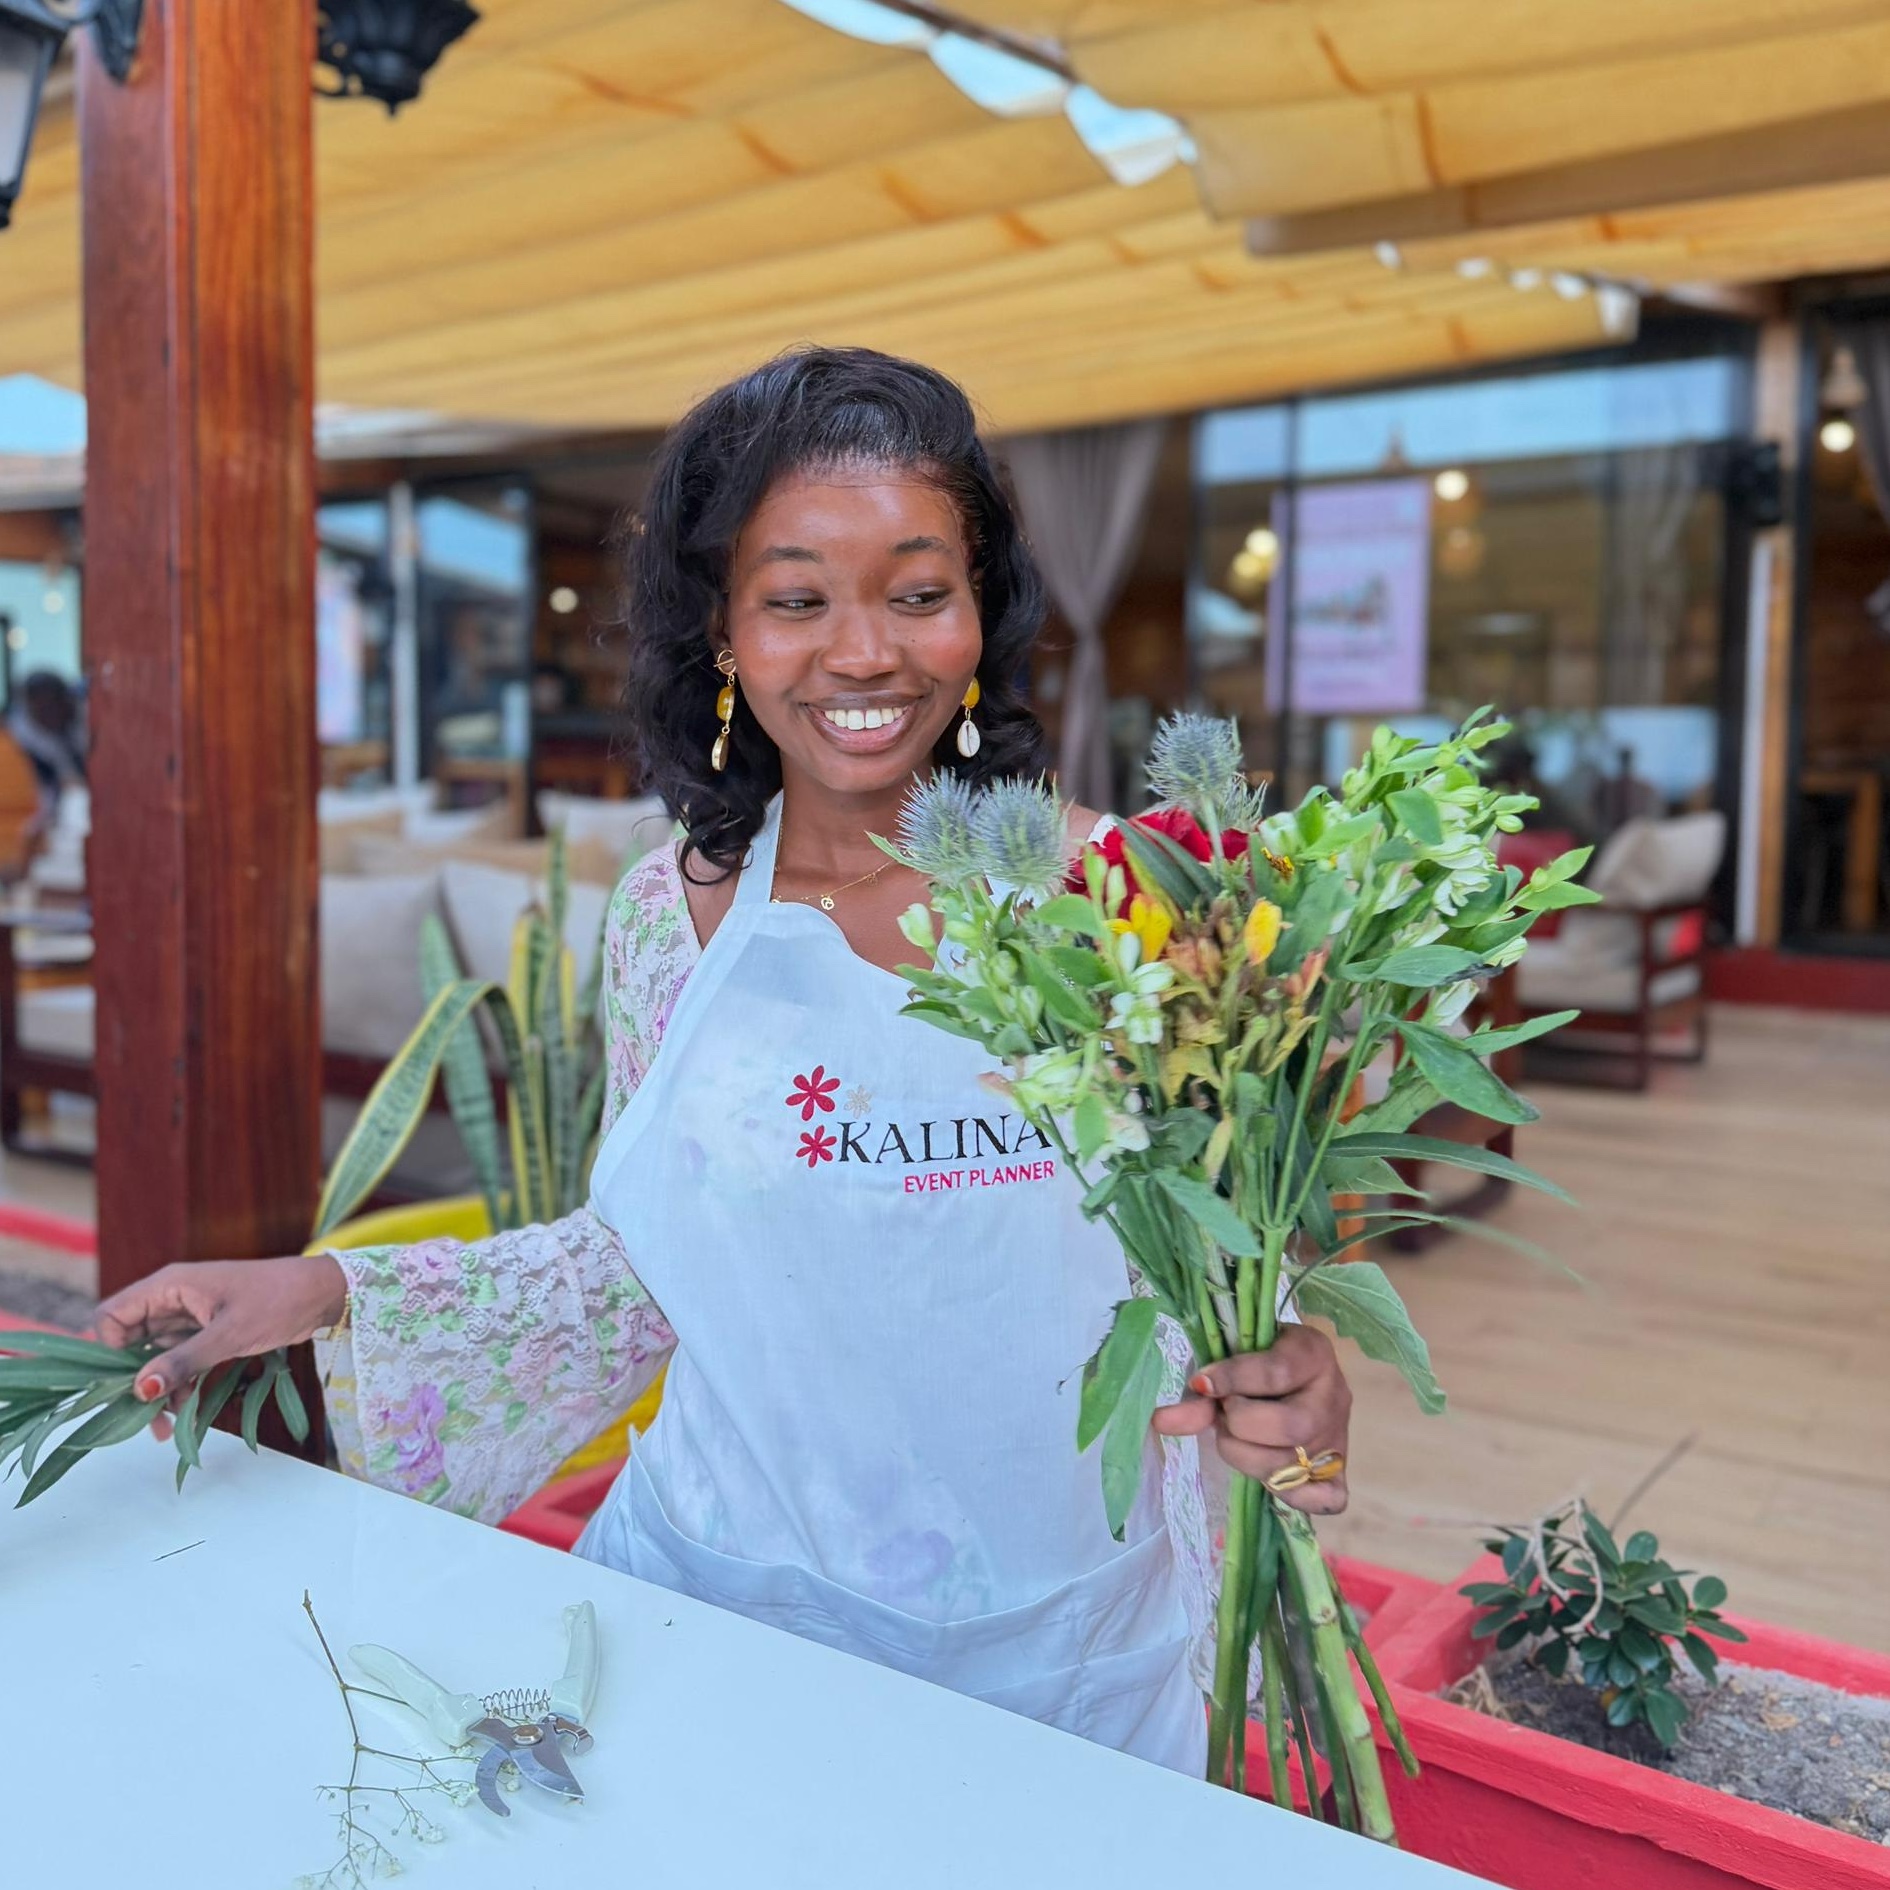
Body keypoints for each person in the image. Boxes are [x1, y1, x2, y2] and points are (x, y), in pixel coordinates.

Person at [93, 348, 1353, 1775]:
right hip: (715, 1625)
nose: (864, 652)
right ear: (722, 630)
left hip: (1065, 1672)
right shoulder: (669, 918)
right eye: (798, 597)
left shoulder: (1133, 902)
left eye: (919, 591)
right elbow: (645, 1268)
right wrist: (316, 1285)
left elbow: (1246, 1272)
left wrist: (1294, 1396)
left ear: (983, 613)